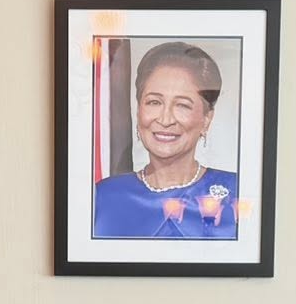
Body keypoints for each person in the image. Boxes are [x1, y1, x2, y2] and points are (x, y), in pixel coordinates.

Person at [91, 41, 240, 239]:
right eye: (154, 102)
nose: (165, 119)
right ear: (139, 111)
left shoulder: (237, 193)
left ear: (206, 119)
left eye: (182, 105)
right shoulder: (103, 196)